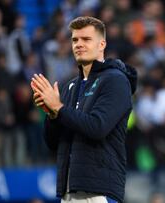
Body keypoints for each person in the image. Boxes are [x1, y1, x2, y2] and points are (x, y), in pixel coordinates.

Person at [31, 16, 137, 203]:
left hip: (99, 191)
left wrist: (59, 107)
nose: (78, 44)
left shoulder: (115, 80)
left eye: (86, 39)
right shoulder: (70, 86)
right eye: (75, 40)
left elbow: (97, 127)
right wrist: (52, 114)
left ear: (102, 44)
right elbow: (53, 143)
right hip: (69, 190)